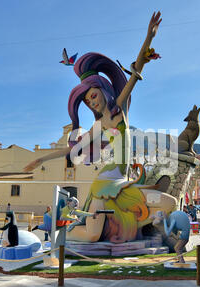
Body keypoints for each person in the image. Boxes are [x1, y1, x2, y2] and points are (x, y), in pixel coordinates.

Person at [23, 12, 177, 243]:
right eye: (87, 101)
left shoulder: (119, 110)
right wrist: (41, 160)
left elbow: (134, 76)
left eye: (93, 96)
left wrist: (149, 38)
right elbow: (72, 150)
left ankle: (131, 229)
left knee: (169, 203)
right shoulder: (99, 125)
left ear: (103, 90)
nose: (92, 102)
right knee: (93, 235)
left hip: (124, 183)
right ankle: (60, 232)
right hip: (105, 184)